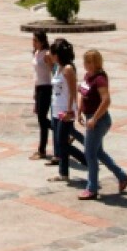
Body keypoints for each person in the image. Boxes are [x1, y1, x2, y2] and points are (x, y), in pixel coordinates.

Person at [77, 49, 127, 200]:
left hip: (99, 121)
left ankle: (92, 188)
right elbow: (83, 93)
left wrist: (94, 118)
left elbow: (106, 100)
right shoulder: (88, 76)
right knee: (98, 152)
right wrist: (79, 111)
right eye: (85, 61)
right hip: (90, 118)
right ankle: (122, 176)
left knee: (90, 154)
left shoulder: (100, 79)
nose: (86, 65)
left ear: (96, 62)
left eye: (89, 62)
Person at [47, 38, 85, 182]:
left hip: (66, 110)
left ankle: (83, 159)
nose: (51, 55)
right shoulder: (58, 68)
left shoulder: (68, 69)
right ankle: (63, 173)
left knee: (62, 142)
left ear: (58, 54)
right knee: (59, 141)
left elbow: (72, 90)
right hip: (57, 109)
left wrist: (70, 109)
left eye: (53, 53)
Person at [30, 30, 53, 160]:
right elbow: (36, 75)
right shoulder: (36, 53)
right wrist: (34, 92)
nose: (33, 42)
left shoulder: (46, 54)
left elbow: (53, 70)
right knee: (41, 118)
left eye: (36, 40)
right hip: (39, 88)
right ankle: (64, 133)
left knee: (42, 119)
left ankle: (42, 149)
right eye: (33, 40)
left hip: (46, 87)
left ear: (42, 41)